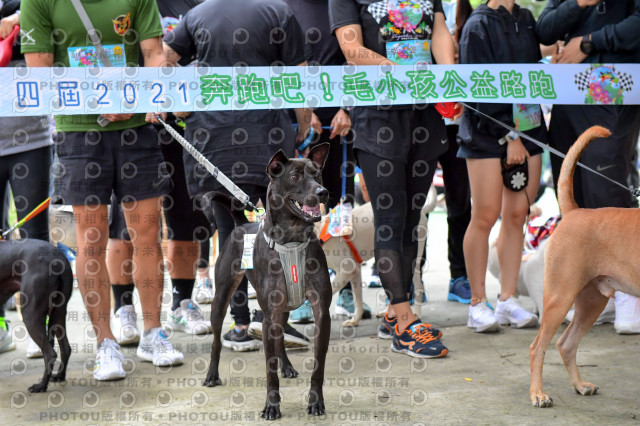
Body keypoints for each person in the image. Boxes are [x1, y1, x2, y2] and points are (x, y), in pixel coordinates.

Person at [21, 0, 184, 380]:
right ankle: (104, 343)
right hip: (79, 131)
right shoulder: (38, 2)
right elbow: (40, 72)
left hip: (135, 130)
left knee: (146, 233)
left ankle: (153, 332)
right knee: (91, 238)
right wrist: (98, 98)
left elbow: (154, 53)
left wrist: (144, 94)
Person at [163, 0, 313, 351]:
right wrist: (303, 128)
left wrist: (176, 101)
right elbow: (300, 73)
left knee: (232, 234)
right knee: (273, 232)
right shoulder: (278, 11)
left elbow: (165, 57)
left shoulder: (196, 15)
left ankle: (240, 324)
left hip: (213, 141)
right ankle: (270, 318)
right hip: (268, 142)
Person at [330, 0, 456, 358]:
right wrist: (398, 71)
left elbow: (439, 32)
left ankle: (395, 311)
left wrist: (449, 76)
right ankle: (404, 323)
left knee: (410, 223)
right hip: (378, 118)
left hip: (425, 117)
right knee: (389, 219)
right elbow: (351, 47)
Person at [107, 0, 214, 346]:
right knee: (126, 227)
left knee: (188, 219)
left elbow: (205, 62)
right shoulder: (128, 5)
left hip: (185, 128)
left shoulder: (199, 6)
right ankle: (123, 308)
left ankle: (182, 302)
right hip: (134, 129)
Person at [536, 0, 640, 335]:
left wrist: (587, 42)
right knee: (571, 194)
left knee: (607, 181)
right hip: (569, 91)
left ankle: (629, 295)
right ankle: (594, 293)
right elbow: (545, 28)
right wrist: (579, 3)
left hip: (614, 83)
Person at [457, 0, 545, 333]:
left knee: (517, 215)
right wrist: (509, 135)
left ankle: (508, 299)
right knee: (485, 215)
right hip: (485, 132)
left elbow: (535, 70)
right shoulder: (478, 24)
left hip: (530, 125)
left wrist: (522, 132)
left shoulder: (525, 17)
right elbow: (478, 88)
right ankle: (477, 303)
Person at [0, 4, 51, 357]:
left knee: (35, 239)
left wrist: (21, 18)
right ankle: (2, 328)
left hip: (30, 139)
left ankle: (40, 325)